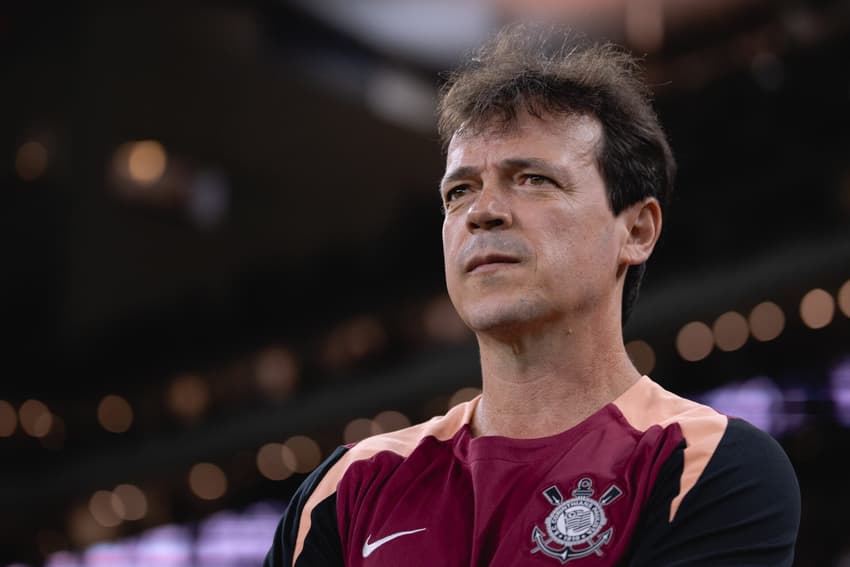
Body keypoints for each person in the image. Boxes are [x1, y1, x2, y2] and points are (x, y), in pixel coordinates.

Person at [264, 23, 800, 566]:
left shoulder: (706, 464)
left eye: (533, 179)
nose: (482, 212)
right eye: (460, 190)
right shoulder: (349, 486)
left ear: (636, 231)